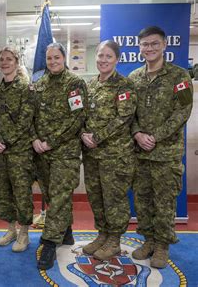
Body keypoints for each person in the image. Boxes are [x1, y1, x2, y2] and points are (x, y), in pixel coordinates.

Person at [129, 26, 193, 268]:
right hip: (140, 154)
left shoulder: (180, 77)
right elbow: (128, 113)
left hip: (166, 154)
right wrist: (137, 134)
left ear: (165, 45)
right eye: (145, 44)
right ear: (140, 48)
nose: (149, 48)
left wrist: (153, 136)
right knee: (143, 201)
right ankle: (148, 241)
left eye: (154, 43)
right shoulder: (135, 77)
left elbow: (183, 112)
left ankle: (162, 246)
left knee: (164, 202)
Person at [81, 40, 137, 260]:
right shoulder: (90, 86)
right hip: (92, 154)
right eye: (101, 55)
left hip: (115, 155)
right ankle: (102, 234)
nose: (103, 60)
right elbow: (81, 115)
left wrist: (97, 136)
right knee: (96, 197)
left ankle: (114, 240)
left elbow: (124, 117)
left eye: (109, 57)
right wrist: (82, 134)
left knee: (114, 199)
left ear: (117, 59)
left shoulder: (124, 86)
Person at [33, 42, 87, 270]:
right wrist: (35, 138)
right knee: (51, 195)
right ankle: (66, 232)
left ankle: (49, 242)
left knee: (59, 195)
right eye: (49, 59)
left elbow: (77, 118)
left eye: (57, 57)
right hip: (42, 153)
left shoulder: (75, 84)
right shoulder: (40, 84)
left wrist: (50, 141)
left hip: (65, 153)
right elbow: (31, 116)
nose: (53, 62)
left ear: (64, 58)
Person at [0, 47, 35, 252]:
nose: (5, 63)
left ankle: (24, 233)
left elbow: (25, 119)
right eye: (2, 60)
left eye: (9, 59)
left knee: (21, 192)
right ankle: (11, 229)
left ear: (16, 62)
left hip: (18, 152)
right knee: (2, 192)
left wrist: (3, 141)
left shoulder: (26, 88)